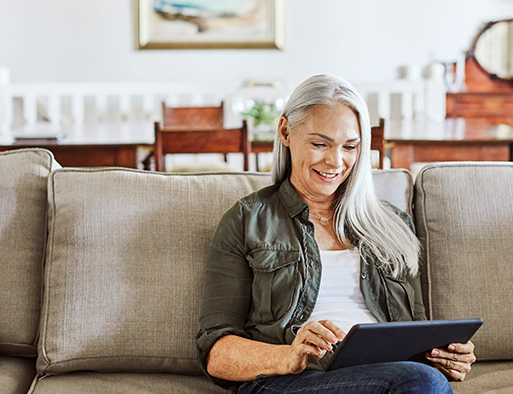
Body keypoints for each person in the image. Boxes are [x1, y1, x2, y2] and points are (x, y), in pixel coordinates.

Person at [196, 74, 476, 393]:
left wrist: (443, 356)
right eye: (320, 144)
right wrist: (288, 356)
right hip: (289, 381)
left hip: (390, 377)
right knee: (421, 381)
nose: (335, 161)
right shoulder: (248, 220)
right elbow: (215, 352)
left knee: (424, 377)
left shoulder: (392, 224)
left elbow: (417, 331)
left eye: (350, 147)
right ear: (285, 131)